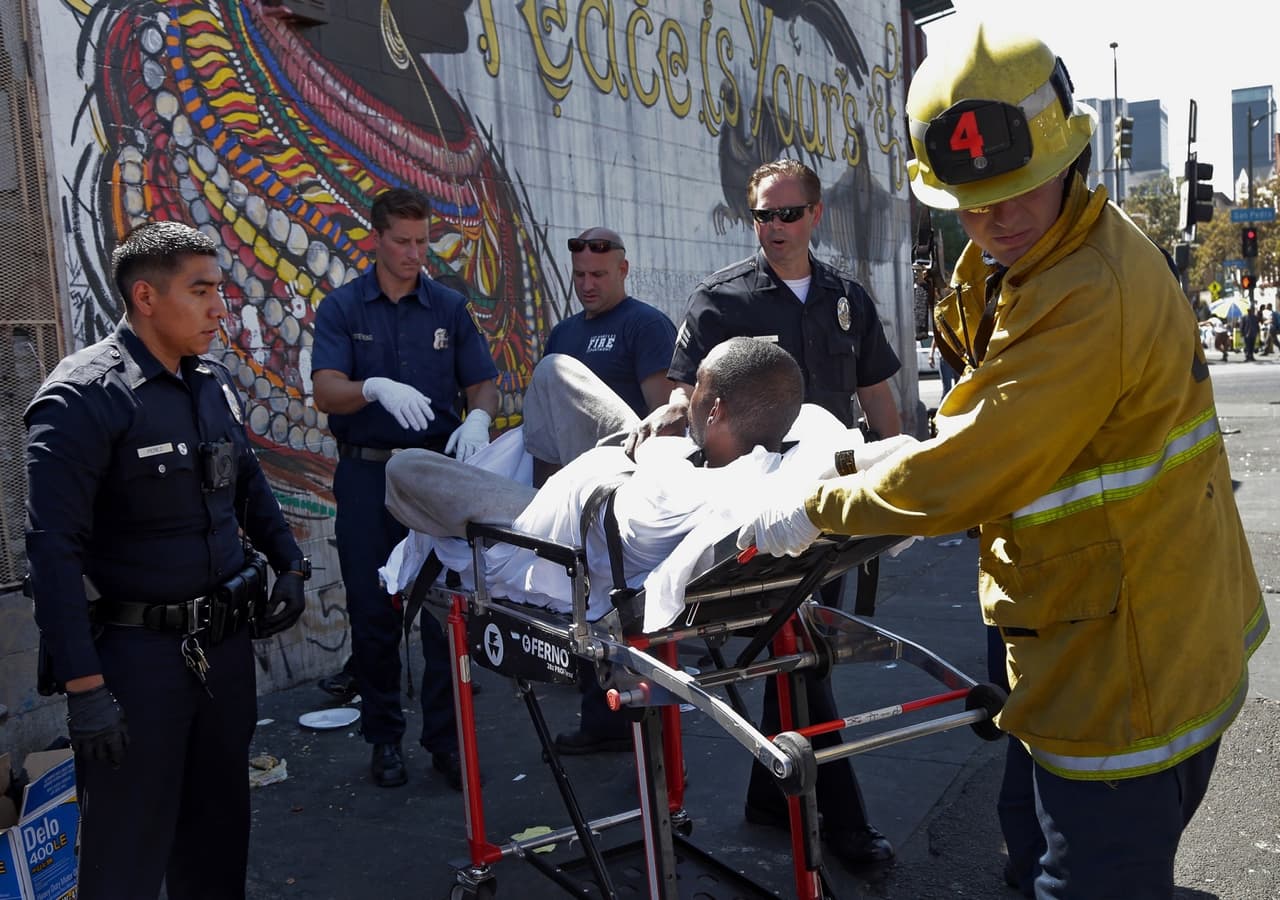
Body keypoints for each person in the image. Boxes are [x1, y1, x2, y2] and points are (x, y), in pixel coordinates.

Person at [739, 19, 1267, 898]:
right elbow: (992, 418)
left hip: (1126, 661)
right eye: (970, 201)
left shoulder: (1086, 288)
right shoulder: (1017, 257)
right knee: (1031, 850)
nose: (996, 216)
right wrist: (928, 447)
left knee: (1086, 881)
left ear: (1072, 159)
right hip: (1086, 626)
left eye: (1019, 189)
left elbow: (981, 462)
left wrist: (822, 504)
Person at [24, 221, 308, 899]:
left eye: (220, 289)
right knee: (126, 857)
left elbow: (244, 480)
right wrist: (85, 692)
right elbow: (50, 556)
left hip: (222, 653)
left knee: (216, 843)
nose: (221, 308)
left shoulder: (205, 382)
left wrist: (289, 560)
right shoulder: (83, 398)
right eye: (202, 290)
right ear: (146, 297)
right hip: (134, 668)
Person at [630, 158, 901, 869]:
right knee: (804, 661)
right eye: (762, 215)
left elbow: (875, 393)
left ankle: (768, 797)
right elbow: (687, 402)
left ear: (815, 216)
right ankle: (843, 821)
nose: (773, 228)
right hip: (753, 511)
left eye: (787, 214)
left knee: (799, 661)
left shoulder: (847, 297)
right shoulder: (722, 302)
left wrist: (902, 472)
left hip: (829, 505)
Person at [311, 187, 500, 790]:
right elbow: (325, 389)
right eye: (403, 241)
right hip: (367, 473)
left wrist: (478, 418)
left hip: (433, 476)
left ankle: (446, 742)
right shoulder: (343, 308)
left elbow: (484, 382)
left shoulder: (447, 306)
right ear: (376, 238)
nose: (415, 253)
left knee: (445, 612)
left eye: (423, 241)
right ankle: (384, 738)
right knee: (373, 610)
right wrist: (372, 389)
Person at [543, 227, 677, 754]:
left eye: (599, 274)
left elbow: (664, 420)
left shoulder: (645, 326)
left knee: (630, 617)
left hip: (626, 497)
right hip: (575, 495)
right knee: (584, 610)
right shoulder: (564, 336)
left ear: (624, 269)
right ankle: (602, 722)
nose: (587, 284)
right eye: (578, 274)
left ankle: (649, 737)